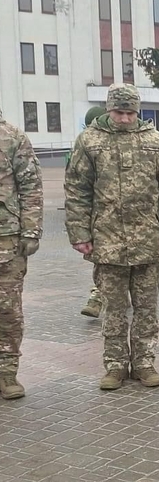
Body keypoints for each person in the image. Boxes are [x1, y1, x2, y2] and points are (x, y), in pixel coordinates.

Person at [65, 84, 159, 390]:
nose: (124, 119)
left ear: (137, 111)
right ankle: (115, 365)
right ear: (109, 110)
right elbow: (77, 191)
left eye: (130, 113)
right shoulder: (90, 141)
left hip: (147, 239)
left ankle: (144, 363)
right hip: (107, 240)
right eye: (119, 112)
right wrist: (80, 234)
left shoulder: (155, 141)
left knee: (147, 308)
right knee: (114, 309)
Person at [0, 113, 43, 400]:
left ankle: (7, 373)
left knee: (7, 309)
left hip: (6, 239)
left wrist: (31, 231)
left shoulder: (12, 137)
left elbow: (30, 186)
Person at [79, 106, 108, 319]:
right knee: (103, 262)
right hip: (97, 219)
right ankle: (97, 297)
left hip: (113, 218)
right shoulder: (85, 145)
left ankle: (99, 297)